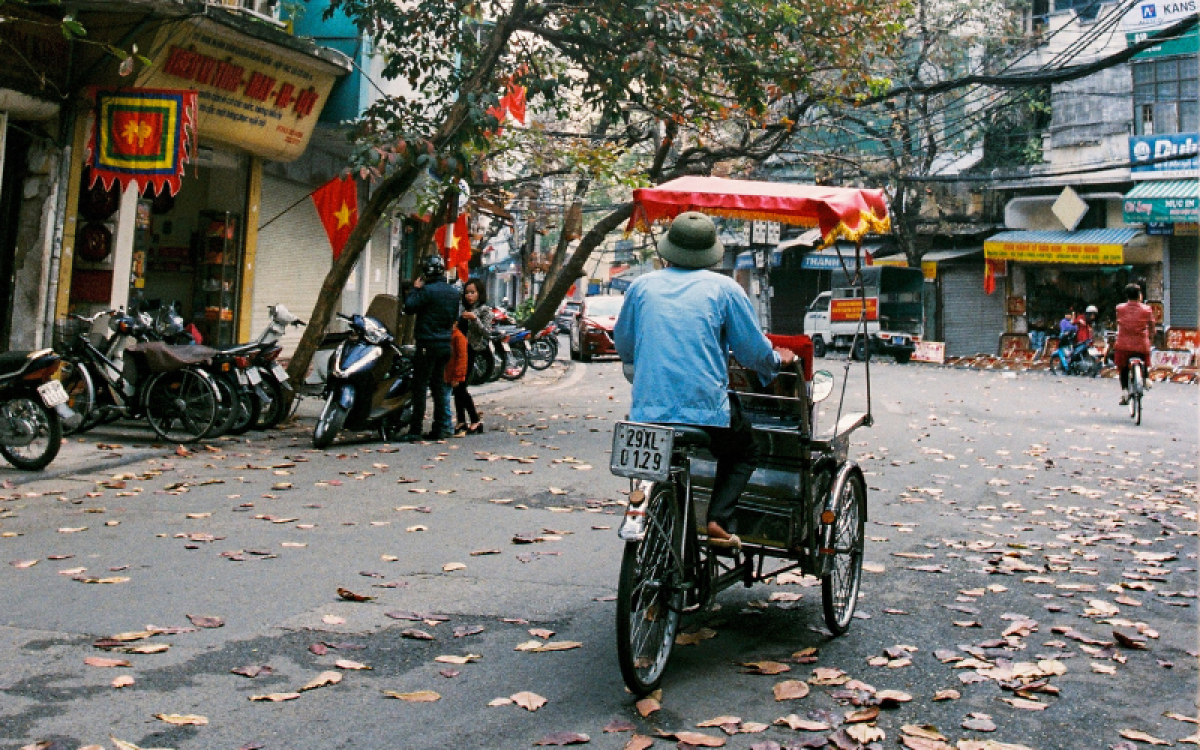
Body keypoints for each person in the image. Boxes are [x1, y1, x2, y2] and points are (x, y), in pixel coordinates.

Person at [613, 211, 796, 549]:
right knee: (744, 452)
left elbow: (624, 344)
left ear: (669, 249)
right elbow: (753, 352)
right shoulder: (725, 289)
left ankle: (654, 512)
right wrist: (776, 361)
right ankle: (717, 519)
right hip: (706, 414)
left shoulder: (640, 287)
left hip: (648, 413)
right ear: (711, 253)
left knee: (660, 467)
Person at [401, 255, 460, 441]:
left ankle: (415, 430)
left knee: (420, 387)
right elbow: (453, 317)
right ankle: (440, 427)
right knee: (438, 387)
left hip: (427, 343)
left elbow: (409, 307)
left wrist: (414, 290)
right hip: (444, 344)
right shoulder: (453, 292)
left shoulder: (426, 291)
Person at [453, 279, 493, 435]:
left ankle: (475, 420)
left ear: (479, 294)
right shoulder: (461, 309)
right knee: (456, 385)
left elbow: (487, 332)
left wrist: (474, 319)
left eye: (473, 292)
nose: (469, 296)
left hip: (472, 349)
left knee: (461, 385)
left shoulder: (485, 310)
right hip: (458, 348)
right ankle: (461, 421)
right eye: (467, 292)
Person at [1114, 283, 1155, 405]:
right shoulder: (1147, 309)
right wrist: (1152, 335)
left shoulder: (1119, 308)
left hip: (1123, 345)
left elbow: (1119, 322)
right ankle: (1146, 378)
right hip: (1141, 345)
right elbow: (1152, 327)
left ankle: (1125, 391)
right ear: (1139, 295)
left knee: (1123, 368)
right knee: (1145, 356)